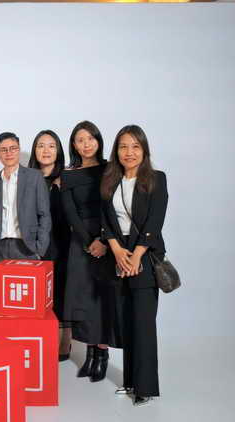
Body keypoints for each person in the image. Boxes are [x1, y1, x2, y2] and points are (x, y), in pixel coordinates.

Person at [100, 125, 168, 406]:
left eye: (135, 146)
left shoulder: (156, 179)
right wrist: (117, 250)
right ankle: (130, 381)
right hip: (118, 254)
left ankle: (145, 387)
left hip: (145, 255)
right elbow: (105, 219)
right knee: (126, 319)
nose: (129, 152)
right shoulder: (110, 180)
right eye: (123, 146)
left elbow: (155, 221)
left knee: (143, 322)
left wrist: (136, 255)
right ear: (116, 151)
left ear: (144, 150)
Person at [61, 120, 118, 382]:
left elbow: (115, 207)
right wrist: (88, 242)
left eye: (91, 138)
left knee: (103, 298)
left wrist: (104, 240)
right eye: (80, 140)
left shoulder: (110, 169)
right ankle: (90, 354)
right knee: (83, 299)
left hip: (109, 239)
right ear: (74, 144)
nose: (86, 144)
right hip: (81, 242)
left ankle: (102, 355)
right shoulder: (68, 174)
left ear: (98, 140)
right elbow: (70, 213)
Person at [28, 130, 72, 361]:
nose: (46, 150)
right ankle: (38, 343)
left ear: (59, 151)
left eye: (51, 146)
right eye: (41, 145)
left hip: (63, 246)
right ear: (34, 151)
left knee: (61, 294)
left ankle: (63, 344)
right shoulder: (26, 179)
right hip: (33, 248)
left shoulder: (68, 178)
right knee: (35, 298)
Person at [0, 132, 51, 267]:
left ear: (19, 149)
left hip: (27, 246)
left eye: (13, 148)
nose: (9, 153)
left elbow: (44, 214)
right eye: (4, 150)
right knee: (1, 282)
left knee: (26, 281)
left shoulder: (34, 177)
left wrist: (40, 247)